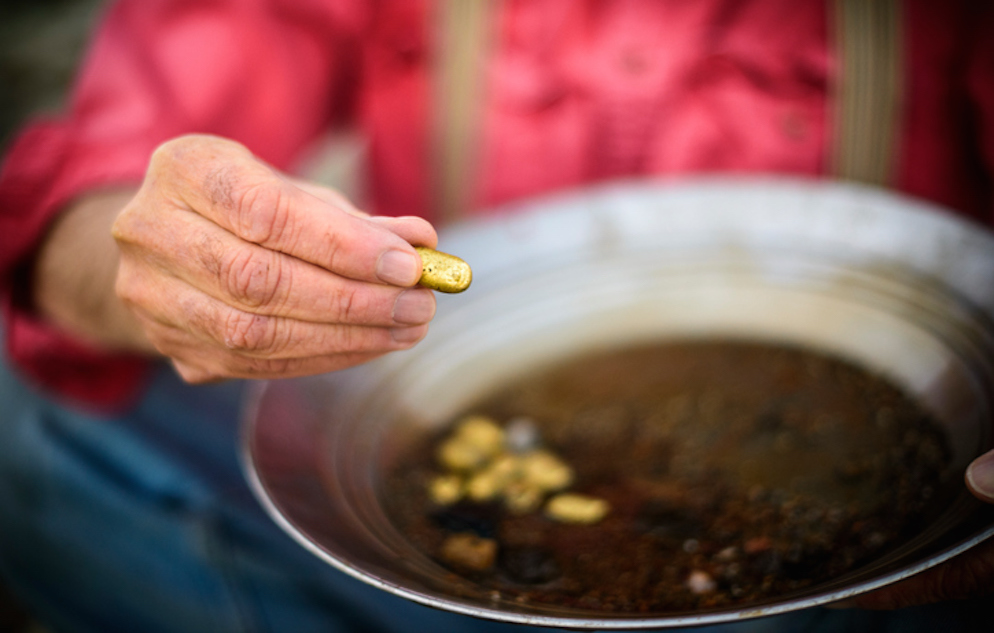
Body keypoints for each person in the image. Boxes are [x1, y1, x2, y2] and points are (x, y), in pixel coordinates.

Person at [1, 0, 992, 631]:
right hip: (443, 467)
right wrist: (155, 255)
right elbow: (96, 184)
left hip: (890, 577)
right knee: (26, 423)